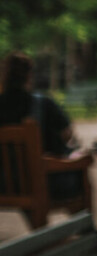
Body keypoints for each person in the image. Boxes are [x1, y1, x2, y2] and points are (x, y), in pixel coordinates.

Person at [0, 52, 83, 200]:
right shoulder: (41, 104)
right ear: (29, 75)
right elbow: (67, 133)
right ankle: (84, 221)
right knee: (82, 168)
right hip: (41, 182)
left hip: (4, 185)